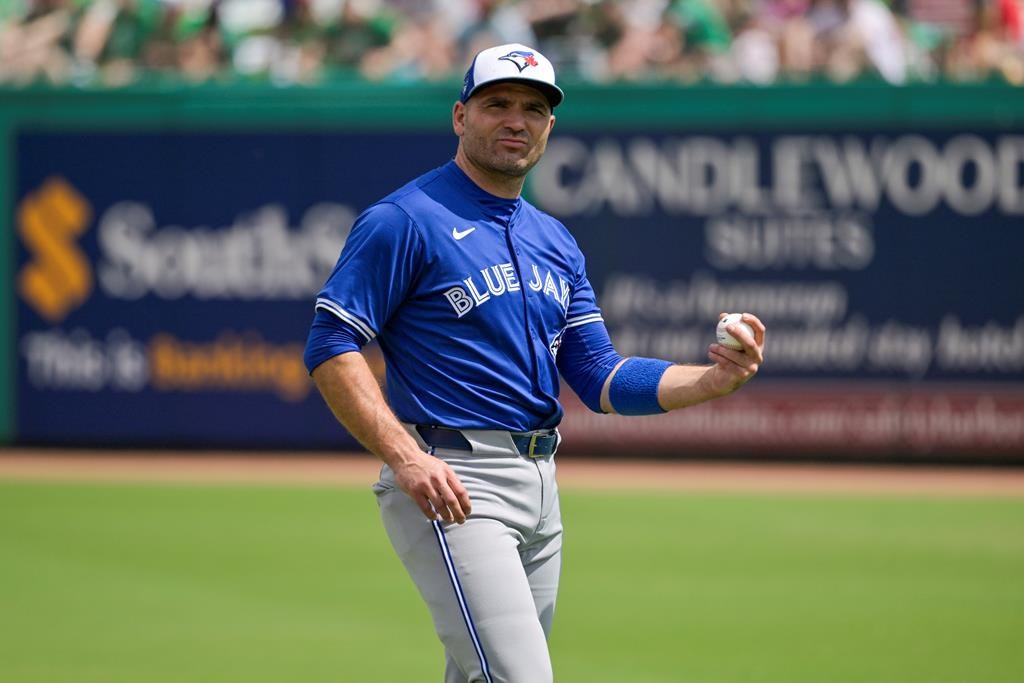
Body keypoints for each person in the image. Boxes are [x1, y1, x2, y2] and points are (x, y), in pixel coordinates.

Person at [303, 42, 766, 683]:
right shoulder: (404, 220)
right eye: (497, 104)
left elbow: (602, 377)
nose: (516, 120)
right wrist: (405, 457)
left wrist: (712, 380)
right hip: (453, 478)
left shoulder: (555, 240)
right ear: (461, 116)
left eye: (534, 108)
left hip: (541, 486)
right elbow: (331, 345)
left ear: (551, 126)